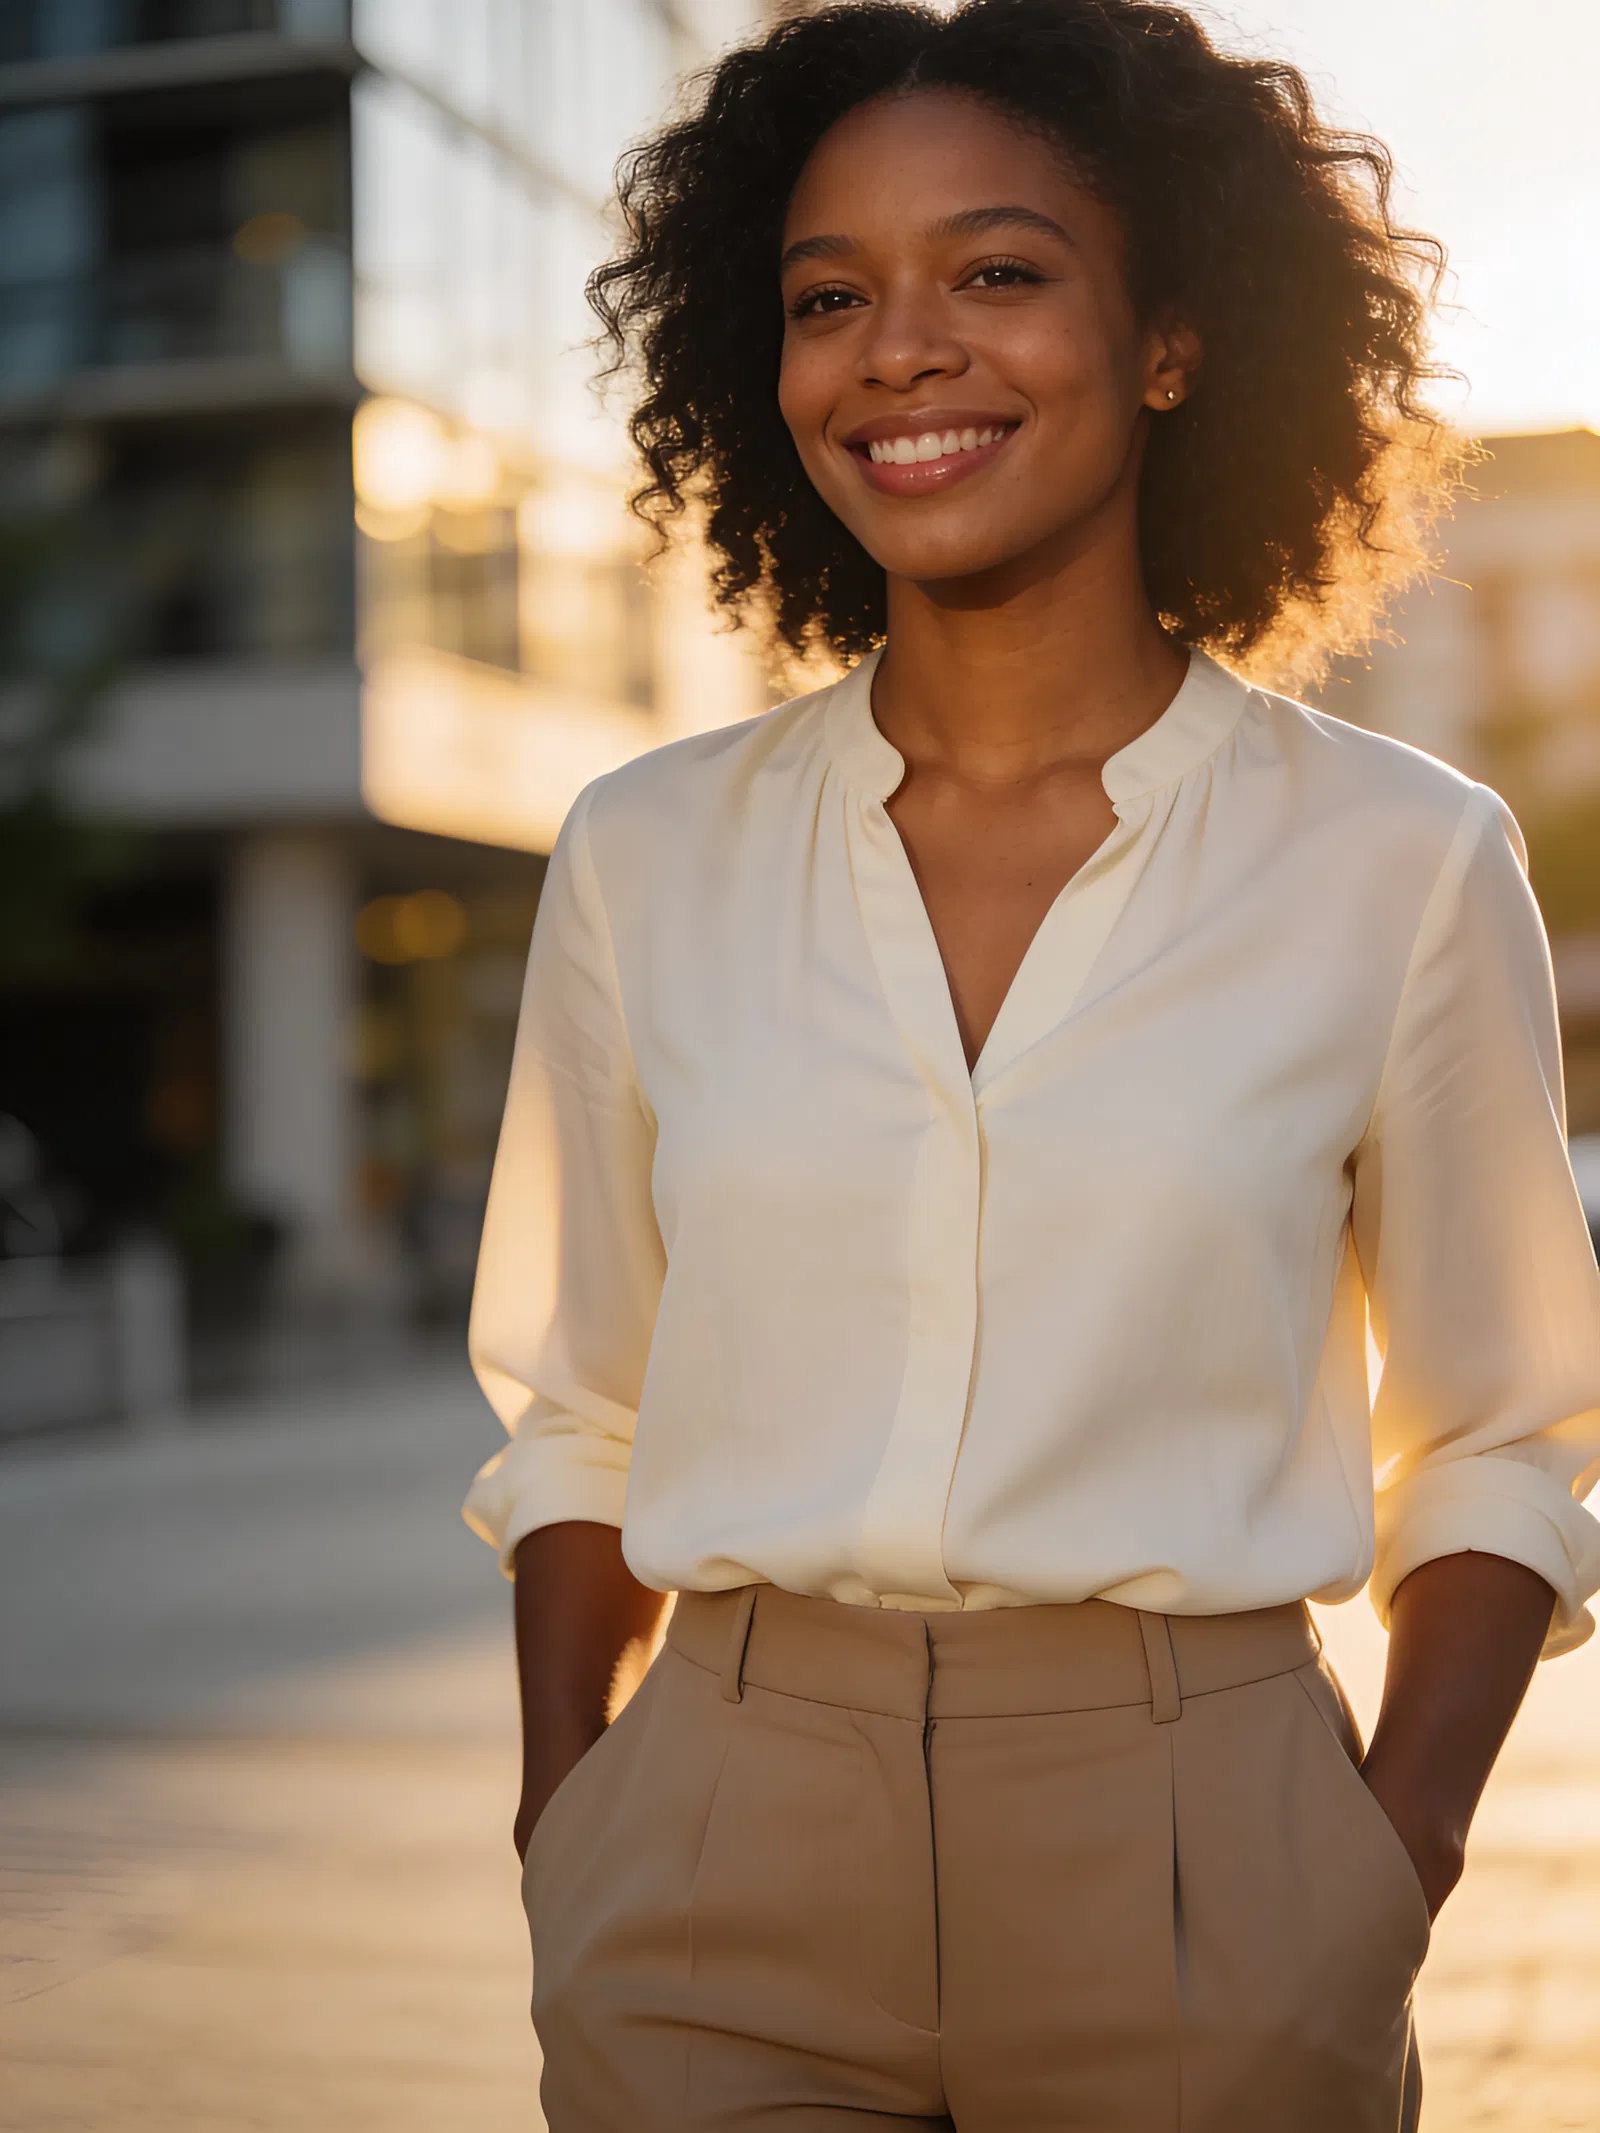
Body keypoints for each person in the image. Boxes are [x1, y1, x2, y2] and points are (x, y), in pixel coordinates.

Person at [463, 4, 1600, 2127]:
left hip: (1206, 1870)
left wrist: (1379, 1863)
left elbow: (1501, 1434)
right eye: (827, 296)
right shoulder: (645, 854)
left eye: (994, 271)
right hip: (716, 1862)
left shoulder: (1399, 861)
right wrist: (568, 1814)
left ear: (1169, 334)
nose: (898, 348)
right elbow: (585, 1400)